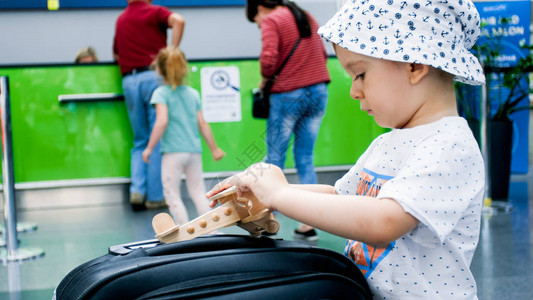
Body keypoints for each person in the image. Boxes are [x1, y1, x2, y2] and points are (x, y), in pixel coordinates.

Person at [208, 0, 486, 298]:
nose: (354, 91)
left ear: (415, 65)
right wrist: (271, 192)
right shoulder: (389, 140)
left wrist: (280, 194)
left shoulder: (449, 145)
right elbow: (341, 197)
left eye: (360, 74)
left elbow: (385, 220)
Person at [246, 0, 330, 241]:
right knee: (305, 157)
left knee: (274, 158)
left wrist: (266, 79)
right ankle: (309, 223)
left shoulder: (272, 19)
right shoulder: (304, 15)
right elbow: (322, 53)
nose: (259, 24)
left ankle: (264, 219)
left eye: (256, 20)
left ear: (259, 8)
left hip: (288, 95)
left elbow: (269, 60)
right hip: (318, 91)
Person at [113, 0, 185, 210]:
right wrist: (171, 52)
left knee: (140, 140)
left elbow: (116, 54)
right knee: (157, 139)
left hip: (129, 80)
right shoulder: (154, 12)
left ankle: (137, 190)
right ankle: (154, 196)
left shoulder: (121, 19)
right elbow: (179, 20)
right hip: (153, 77)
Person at [142, 47, 225, 224]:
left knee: (172, 194)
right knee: (198, 191)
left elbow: (161, 121)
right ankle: (213, 230)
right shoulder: (193, 93)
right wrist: (214, 149)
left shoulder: (160, 93)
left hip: (173, 152)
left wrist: (149, 147)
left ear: (159, 69)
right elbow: (202, 124)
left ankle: (182, 232)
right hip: (193, 151)